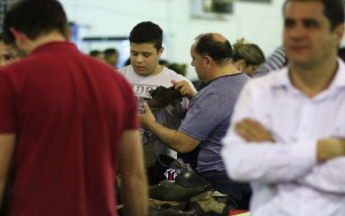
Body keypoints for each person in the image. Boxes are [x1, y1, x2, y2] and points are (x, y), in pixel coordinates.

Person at [0, 0, 148, 216]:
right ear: (68, 32)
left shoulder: (11, 81)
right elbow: (134, 176)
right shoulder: (116, 82)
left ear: (18, 36)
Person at [221, 0, 345, 215]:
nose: (296, 33)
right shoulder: (258, 92)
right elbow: (238, 165)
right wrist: (320, 151)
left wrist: (274, 150)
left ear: (338, 33)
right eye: (289, 24)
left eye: (310, 24)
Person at [140, 32, 251, 208]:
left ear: (207, 61)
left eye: (194, 58)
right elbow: (223, 116)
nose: (192, 63)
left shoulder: (212, 96)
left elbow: (183, 144)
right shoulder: (249, 84)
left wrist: (150, 124)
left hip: (221, 182)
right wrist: (195, 97)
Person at [118, 21, 194, 159]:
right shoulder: (115, 78)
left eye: (146, 55)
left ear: (160, 51)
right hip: (122, 162)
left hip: (164, 165)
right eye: (134, 53)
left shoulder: (178, 82)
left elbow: (198, 124)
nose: (139, 60)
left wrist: (193, 98)